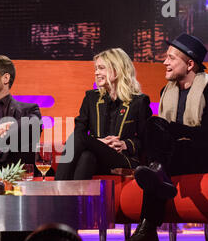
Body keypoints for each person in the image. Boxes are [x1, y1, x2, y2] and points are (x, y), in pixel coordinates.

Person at [115, 33, 208, 241]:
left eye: (171, 58)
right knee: (156, 141)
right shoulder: (167, 91)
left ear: (190, 63)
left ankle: (147, 233)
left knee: (160, 153)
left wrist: (171, 130)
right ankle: (157, 174)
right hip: (181, 155)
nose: (165, 62)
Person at [55, 48, 152, 180]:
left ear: (117, 70)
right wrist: (98, 143)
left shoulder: (139, 101)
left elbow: (146, 141)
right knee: (86, 156)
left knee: (79, 139)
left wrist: (125, 144)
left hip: (122, 158)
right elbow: (79, 131)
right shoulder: (91, 98)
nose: (96, 72)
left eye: (101, 68)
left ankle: (56, 188)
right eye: (96, 68)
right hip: (96, 157)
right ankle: (75, 200)